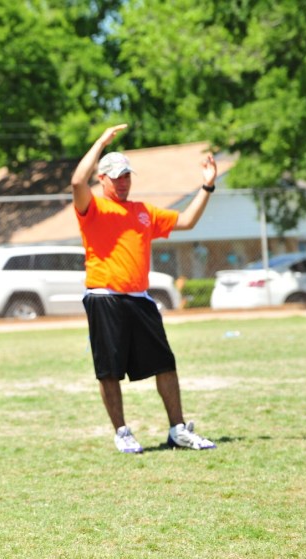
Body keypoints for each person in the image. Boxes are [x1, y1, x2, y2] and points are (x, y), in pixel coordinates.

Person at [70, 123, 218, 453]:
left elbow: (186, 221)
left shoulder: (143, 212)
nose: (123, 182)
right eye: (116, 177)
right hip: (105, 297)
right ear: (102, 179)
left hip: (140, 298)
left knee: (165, 363)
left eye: (127, 176)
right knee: (109, 370)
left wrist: (207, 185)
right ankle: (122, 432)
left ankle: (178, 429)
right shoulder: (93, 208)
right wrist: (101, 141)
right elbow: (77, 181)